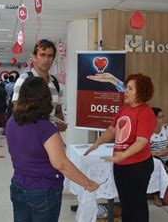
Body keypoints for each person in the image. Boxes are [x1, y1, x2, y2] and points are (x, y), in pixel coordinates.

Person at [6, 77, 99, 222]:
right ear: (45, 99)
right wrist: (88, 184)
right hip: (43, 190)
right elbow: (60, 163)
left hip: (18, 186)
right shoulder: (45, 128)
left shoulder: (12, 122)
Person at [85, 73, 156, 222]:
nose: (125, 91)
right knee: (126, 204)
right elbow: (112, 130)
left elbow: (141, 141)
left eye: (130, 89)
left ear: (141, 92)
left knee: (137, 206)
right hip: (121, 165)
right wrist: (97, 143)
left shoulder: (146, 112)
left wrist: (123, 155)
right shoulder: (125, 108)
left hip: (138, 166)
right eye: (126, 87)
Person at [13, 39, 67, 132]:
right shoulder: (24, 80)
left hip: (50, 135)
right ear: (34, 57)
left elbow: (58, 111)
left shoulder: (56, 83)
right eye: (43, 55)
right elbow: (17, 109)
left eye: (50, 56)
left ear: (53, 59)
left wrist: (61, 123)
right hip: (30, 134)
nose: (46, 60)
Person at [149, 107, 168, 207]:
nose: (163, 119)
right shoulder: (147, 130)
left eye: (162, 116)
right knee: (156, 168)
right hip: (155, 160)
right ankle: (156, 195)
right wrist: (155, 155)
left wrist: (160, 153)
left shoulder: (166, 128)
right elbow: (144, 148)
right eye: (160, 117)